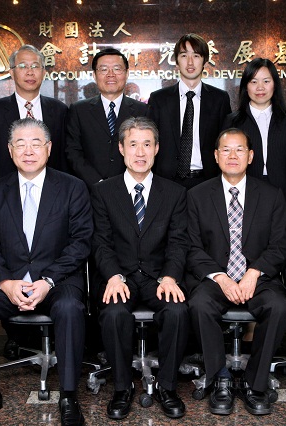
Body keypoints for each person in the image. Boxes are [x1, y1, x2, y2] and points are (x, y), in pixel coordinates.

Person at [0, 118, 92, 426]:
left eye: (35, 144)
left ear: (49, 148)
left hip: (58, 280)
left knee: (70, 308)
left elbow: (81, 242)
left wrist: (47, 281)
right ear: (10, 150)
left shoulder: (72, 188)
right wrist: (5, 283)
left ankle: (69, 395)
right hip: (11, 280)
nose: (28, 151)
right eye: (20, 144)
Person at [185, 128, 286, 416]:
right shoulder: (196, 196)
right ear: (215, 155)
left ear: (251, 156)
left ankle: (255, 383)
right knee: (199, 304)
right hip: (216, 277)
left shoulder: (271, 195)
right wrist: (220, 278)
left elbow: (281, 245)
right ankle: (220, 378)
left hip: (258, 277)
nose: (233, 155)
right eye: (226, 150)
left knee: (279, 306)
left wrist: (254, 273)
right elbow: (191, 247)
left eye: (240, 149)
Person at [91, 117, 190, 420]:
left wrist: (170, 277)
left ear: (157, 148)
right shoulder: (103, 192)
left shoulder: (174, 193)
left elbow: (178, 243)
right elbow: (101, 243)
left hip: (158, 277)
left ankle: (167, 387)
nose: (140, 152)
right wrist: (113, 276)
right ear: (121, 148)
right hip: (120, 276)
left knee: (177, 311)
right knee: (114, 313)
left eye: (147, 144)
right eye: (133, 144)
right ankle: (122, 388)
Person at [0, 45, 68, 207]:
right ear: (12, 73)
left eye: (35, 66)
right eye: (23, 66)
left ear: (44, 72)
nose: (30, 72)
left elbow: (64, 159)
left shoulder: (59, 110)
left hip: (52, 197)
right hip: (6, 198)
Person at [147, 33, 231, 189]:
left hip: (208, 181)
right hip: (167, 182)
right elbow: (150, 140)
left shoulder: (219, 99)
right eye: (184, 55)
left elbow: (226, 142)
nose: (190, 62)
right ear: (177, 61)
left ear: (205, 61)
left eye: (196, 56)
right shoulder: (159, 99)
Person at [66, 48, 148, 188]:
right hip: (90, 190)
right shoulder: (79, 110)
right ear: (94, 75)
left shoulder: (143, 110)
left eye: (117, 69)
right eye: (104, 69)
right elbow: (73, 152)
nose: (111, 75)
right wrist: (97, 183)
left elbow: (148, 150)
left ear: (127, 73)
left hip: (131, 189)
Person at [223, 58, 286, 205]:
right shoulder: (233, 121)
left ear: (274, 84)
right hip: (244, 194)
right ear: (246, 86)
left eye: (266, 81)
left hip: (281, 193)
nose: (260, 87)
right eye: (254, 82)